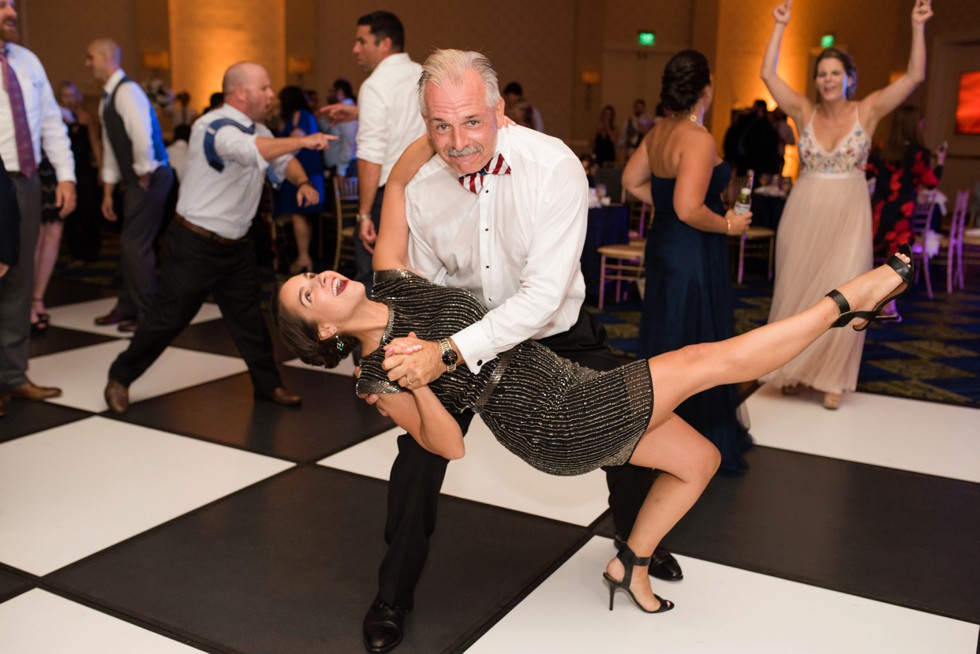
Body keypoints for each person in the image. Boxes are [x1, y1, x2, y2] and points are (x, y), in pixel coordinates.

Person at [274, 223, 913, 620]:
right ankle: (849, 302)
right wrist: (425, 382)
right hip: (553, 421)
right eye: (309, 294)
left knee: (700, 461)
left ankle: (628, 564)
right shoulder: (376, 378)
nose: (319, 277)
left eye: (309, 275)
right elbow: (447, 447)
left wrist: (440, 125)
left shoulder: (397, 289)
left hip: (569, 381)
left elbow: (403, 187)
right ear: (325, 330)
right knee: (704, 362)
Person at [344, 49, 678, 653]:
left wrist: (447, 352)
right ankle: (392, 594)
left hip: (553, 328)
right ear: (425, 123)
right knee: (418, 459)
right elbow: (420, 284)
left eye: (471, 121)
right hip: (461, 331)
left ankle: (636, 544)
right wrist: (403, 358)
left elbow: (544, 297)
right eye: (440, 125)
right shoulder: (419, 187)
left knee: (631, 420)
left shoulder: (552, 166)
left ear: (500, 110)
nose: (457, 141)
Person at [102, 61, 333, 415]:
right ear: (240, 92)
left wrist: (302, 182)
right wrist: (305, 139)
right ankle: (120, 376)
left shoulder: (259, 130)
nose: (271, 94)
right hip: (195, 244)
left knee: (250, 321)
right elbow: (249, 150)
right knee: (168, 320)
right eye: (264, 88)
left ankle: (268, 386)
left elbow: (283, 162)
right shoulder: (211, 126)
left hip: (237, 247)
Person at [761, 0, 932, 410]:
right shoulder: (803, 110)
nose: (827, 79)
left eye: (835, 73)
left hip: (849, 214)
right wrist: (780, 26)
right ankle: (792, 368)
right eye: (822, 73)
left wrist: (916, 25)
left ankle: (832, 377)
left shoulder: (867, 110)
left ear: (849, 79)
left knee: (848, 291)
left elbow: (915, 75)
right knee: (797, 293)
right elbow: (767, 74)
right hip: (803, 212)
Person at [623, 50, 754, 475]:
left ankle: (661, 431)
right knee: (694, 343)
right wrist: (730, 225)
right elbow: (688, 208)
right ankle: (696, 436)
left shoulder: (658, 132)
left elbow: (630, 181)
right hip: (692, 249)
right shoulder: (697, 138)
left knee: (668, 338)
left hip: (664, 246)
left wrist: (661, 204)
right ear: (705, 90)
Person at [0, 0, 76, 415]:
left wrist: (65, 176)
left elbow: (50, 122)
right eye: (2, 4)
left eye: (13, 3)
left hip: (25, 182)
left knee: (19, 277)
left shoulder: (27, 61)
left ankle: (12, 376)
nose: (11, 11)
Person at [321, 11, 425, 296]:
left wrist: (364, 214)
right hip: (426, 193)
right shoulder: (423, 75)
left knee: (375, 278)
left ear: (385, 43)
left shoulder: (375, 85)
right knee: (415, 275)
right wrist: (359, 112)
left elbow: (370, 155)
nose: (355, 49)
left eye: (361, 41)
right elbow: (409, 116)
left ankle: (370, 340)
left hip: (387, 198)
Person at [86, 38, 175, 333]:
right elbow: (112, 148)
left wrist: (143, 174)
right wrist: (109, 190)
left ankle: (149, 315)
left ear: (104, 57)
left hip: (151, 175)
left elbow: (142, 134)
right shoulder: (107, 98)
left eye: (90, 58)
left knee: (135, 244)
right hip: (137, 177)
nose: (87, 64)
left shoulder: (129, 92)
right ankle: (127, 306)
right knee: (130, 243)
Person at [867, 105, 945, 259]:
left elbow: (867, 174)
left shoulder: (880, 150)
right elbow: (931, 182)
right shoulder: (917, 154)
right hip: (902, 214)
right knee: (897, 264)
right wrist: (940, 163)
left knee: (873, 260)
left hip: (879, 212)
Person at [274, 85, 325, 274]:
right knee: (303, 215)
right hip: (311, 170)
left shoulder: (300, 115)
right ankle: (305, 257)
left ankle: (303, 257)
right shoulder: (303, 114)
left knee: (298, 214)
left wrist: (277, 155)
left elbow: (295, 143)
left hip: (304, 171)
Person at [57, 80, 102, 267]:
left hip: (84, 169)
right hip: (66, 171)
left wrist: (101, 167)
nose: (69, 99)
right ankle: (76, 253)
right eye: (65, 95)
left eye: (72, 95)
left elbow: (94, 143)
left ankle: (91, 252)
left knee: (89, 210)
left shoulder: (87, 117)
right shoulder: (56, 117)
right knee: (70, 215)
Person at [321, 78, 357, 179]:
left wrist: (342, 168)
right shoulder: (343, 109)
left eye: (331, 91)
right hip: (342, 166)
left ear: (340, 92)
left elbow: (350, 140)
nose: (329, 95)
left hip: (345, 168)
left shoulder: (347, 109)